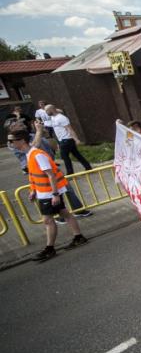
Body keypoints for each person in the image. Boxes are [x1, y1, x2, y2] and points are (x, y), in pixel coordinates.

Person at [8, 128, 88, 261]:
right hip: (44, 192)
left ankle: (50, 249)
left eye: (11, 141)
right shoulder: (29, 153)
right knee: (64, 213)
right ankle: (78, 237)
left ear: (21, 140)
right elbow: (34, 174)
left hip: (49, 193)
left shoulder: (37, 154)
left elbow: (50, 175)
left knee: (48, 220)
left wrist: (55, 194)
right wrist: (33, 189)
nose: (10, 144)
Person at [45, 104, 92, 176]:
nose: (46, 112)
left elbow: (69, 129)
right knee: (76, 154)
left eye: (47, 110)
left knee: (65, 156)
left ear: (51, 109)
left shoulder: (61, 118)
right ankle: (88, 167)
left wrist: (76, 139)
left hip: (67, 140)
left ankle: (70, 173)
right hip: (63, 140)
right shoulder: (53, 117)